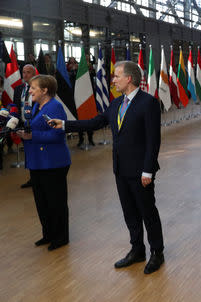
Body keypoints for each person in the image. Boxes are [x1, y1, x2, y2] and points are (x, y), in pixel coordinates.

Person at [49, 61, 164, 275]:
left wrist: (148, 170)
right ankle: (137, 249)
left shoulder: (148, 103)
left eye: (117, 76)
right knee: (129, 213)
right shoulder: (115, 104)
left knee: (148, 212)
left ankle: (157, 252)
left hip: (141, 171)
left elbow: (153, 140)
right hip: (120, 169)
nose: (113, 80)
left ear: (129, 78)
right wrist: (64, 125)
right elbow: (94, 123)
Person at [17, 74, 71, 251]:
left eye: (33, 88)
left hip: (53, 162)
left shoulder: (54, 106)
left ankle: (61, 237)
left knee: (56, 202)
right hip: (38, 161)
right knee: (42, 202)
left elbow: (57, 135)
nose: (30, 90)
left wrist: (32, 136)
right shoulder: (37, 106)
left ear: (45, 90)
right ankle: (48, 234)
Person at [13, 64, 36, 188]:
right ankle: (33, 178)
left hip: (35, 125)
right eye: (23, 72)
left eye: (28, 72)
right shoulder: (18, 89)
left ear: (34, 74)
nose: (25, 75)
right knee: (28, 152)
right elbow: (16, 107)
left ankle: (39, 177)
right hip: (23, 125)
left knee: (37, 151)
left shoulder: (38, 88)